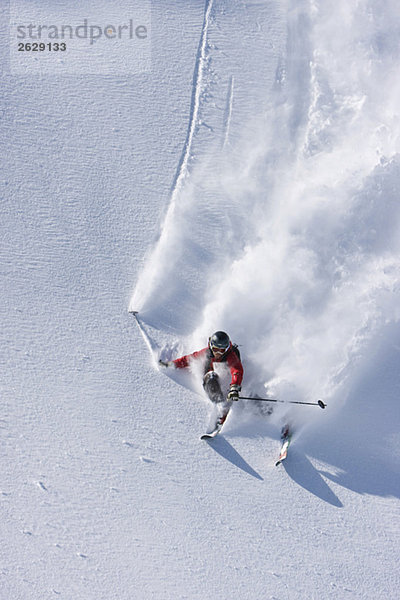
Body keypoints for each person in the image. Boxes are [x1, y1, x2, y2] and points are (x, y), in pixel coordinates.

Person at [159, 331, 243, 407]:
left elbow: (237, 370)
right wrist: (172, 364)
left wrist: (234, 387)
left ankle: (226, 403)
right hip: (211, 380)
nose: (218, 353)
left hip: (229, 378)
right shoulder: (206, 353)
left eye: (222, 350)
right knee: (211, 376)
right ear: (211, 346)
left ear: (227, 349)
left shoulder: (230, 356)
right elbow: (188, 359)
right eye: (215, 349)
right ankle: (219, 405)